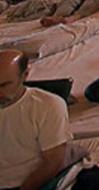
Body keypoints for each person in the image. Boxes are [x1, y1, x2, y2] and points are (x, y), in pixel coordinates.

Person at [0, 50, 74, 190]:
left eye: (3, 85)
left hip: (32, 183)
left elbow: (53, 161)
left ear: (25, 75)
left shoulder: (47, 105)